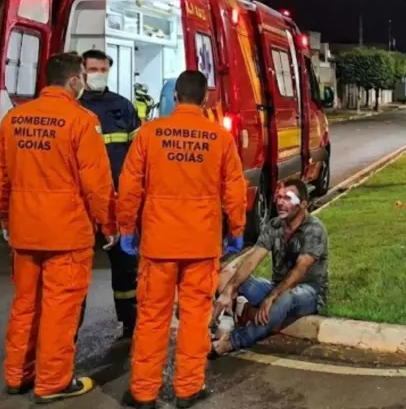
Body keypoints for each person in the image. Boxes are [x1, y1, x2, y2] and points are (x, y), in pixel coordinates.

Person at [0, 52, 117, 403]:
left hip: (25, 230)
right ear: (74, 80)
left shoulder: (15, 118)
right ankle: (53, 382)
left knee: (25, 305)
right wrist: (109, 225)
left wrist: (5, 218)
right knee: (60, 310)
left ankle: (17, 375)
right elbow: (97, 183)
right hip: (66, 233)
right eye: (83, 77)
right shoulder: (81, 120)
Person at [117, 70, 246, 409]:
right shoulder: (219, 138)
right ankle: (188, 388)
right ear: (206, 100)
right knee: (194, 318)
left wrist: (126, 228)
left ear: (175, 97)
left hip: (159, 244)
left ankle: (144, 393)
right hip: (201, 245)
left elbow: (130, 186)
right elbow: (234, 189)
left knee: (151, 318)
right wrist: (236, 230)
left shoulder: (150, 134)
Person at [210, 179, 328, 357]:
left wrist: (271, 297)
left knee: (285, 297)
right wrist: (229, 291)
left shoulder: (314, 229)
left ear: (303, 204)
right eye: (279, 197)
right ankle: (247, 313)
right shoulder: (275, 225)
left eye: (287, 198)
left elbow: (299, 271)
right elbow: (253, 259)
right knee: (226, 276)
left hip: (308, 292)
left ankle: (232, 341)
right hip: (276, 285)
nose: (280, 202)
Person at [77, 49, 141, 341]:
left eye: (103, 69)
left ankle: (130, 320)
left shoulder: (123, 107)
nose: (99, 74)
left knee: (126, 264)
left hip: (116, 200)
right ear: (81, 70)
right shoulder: (73, 109)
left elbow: (138, 156)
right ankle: (69, 328)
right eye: (93, 69)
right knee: (74, 270)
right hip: (79, 204)